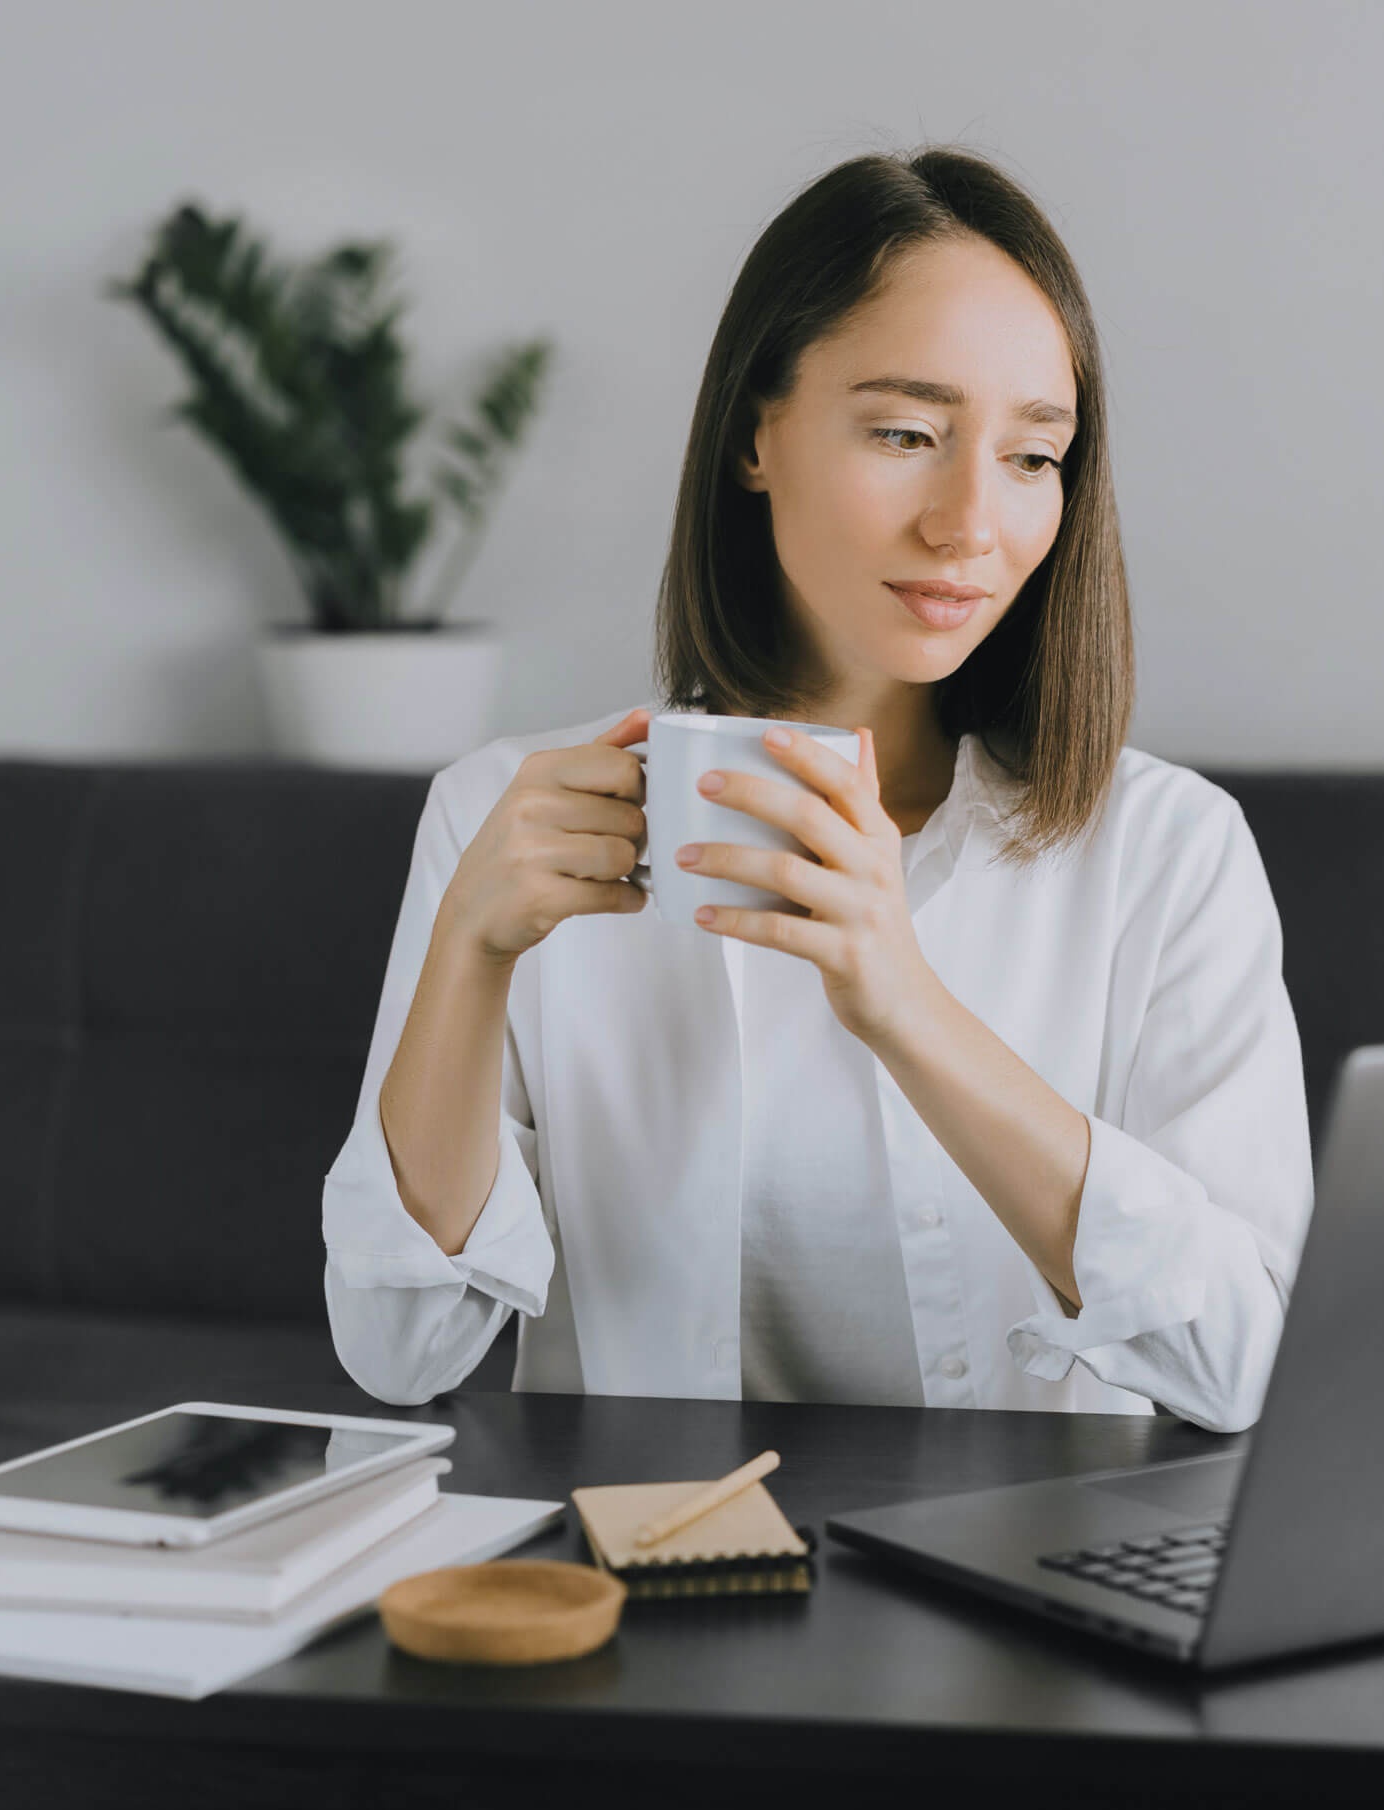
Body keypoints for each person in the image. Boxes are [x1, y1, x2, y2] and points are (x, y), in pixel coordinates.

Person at [322, 146, 1312, 1433]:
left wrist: (903, 1003)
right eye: (906, 433)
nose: (969, 521)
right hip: (645, 1585)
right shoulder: (504, 812)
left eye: (1031, 456)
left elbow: (1245, 1365)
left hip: (1021, 1605)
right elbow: (398, 1349)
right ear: (754, 434)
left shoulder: (1169, 851)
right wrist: (469, 949)